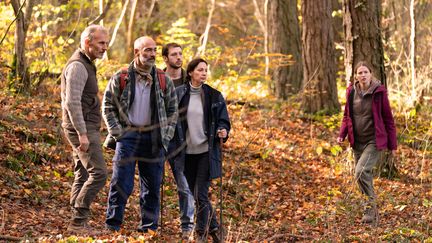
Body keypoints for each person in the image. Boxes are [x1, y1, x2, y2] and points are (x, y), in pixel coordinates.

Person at [102, 36, 178, 232]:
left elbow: (173, 111)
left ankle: (149, 228)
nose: (152, 54)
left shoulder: (163, 79)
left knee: (152, 186)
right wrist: (118, 132)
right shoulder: (121, 76)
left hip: (154, 139)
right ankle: (112, 225)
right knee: (121, 182)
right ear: (137, 52)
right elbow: (108, 106)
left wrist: (166, 137)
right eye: (147, 50)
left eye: (154, 50)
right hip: (128, 136)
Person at [173, 58, 231, 242]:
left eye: (206, 70)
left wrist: (224, 130)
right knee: (196, 194)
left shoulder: (214, 95)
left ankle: (201, 233)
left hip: (207, 151)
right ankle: (215, 227)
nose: (204, 73)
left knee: (200, 194)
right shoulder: (179, 94)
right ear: (190, 72)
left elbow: (223, 120)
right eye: (200, 70)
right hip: (186, 152)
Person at [60, 24, 109, 234]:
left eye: (106, 43)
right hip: (81, 127)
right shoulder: (78, 66)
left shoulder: (87, 63)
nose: (105, 47)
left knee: (82, 172)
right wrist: (81, 133)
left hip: (85, 125)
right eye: (101, 43)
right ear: (88, 42)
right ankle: (78, 221)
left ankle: (76, 222)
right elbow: (72, 103)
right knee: (98, 173)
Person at [337, 61, 397, 224]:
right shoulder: (351, 92)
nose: (362, 75)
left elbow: (388, 119)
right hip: (357, 141)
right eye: (360, 73)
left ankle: (370, 210)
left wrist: (392, 145)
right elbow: (346, 116)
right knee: (363, 177)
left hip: (374, 141)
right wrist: (342, 135)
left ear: (371, 74)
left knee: (360, 172)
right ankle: (370, 211)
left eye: (365, 72)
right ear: (355, 75)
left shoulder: (379, 92)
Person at [162, 43, 195, 239]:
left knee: (184, 185)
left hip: (183, 140)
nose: (179, 57)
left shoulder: (190, 80)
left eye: (181, 54)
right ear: (165, 58)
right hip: (159, 138)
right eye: (174, 54)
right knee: (152, 183)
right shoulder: (158, 78)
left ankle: (187, 226)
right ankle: (149, 224)